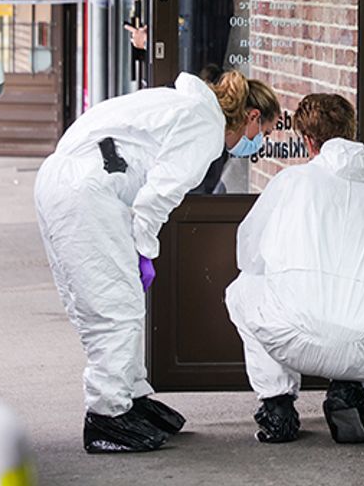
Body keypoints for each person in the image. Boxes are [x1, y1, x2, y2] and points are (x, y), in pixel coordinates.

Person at [34, 70, 280, 454]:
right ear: (251, 117)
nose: (261, 141)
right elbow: (157, 198)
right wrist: (143, 250)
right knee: (115, 307)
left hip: (64, 181)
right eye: (265, 129)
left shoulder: (179, 103)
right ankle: (107, 416)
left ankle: (129, 395)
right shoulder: (205, 127)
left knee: (108, 302)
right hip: (89, 192)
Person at [225, 93, 364, 444]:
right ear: (352, 131)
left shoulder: (290, 183)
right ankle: (357, 393)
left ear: (307, 141)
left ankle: (277, 406)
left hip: (293, 337)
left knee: (241, 290)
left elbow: (249, 255)